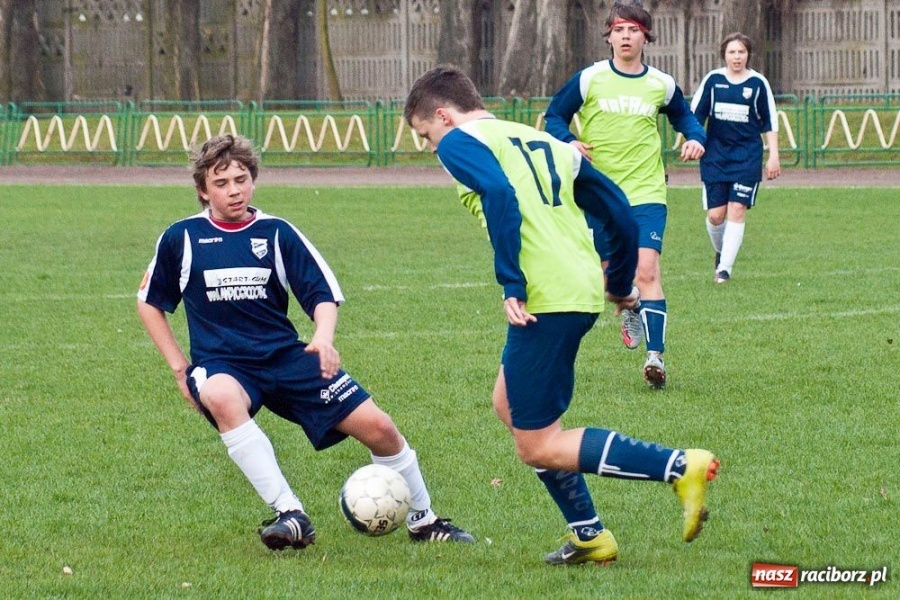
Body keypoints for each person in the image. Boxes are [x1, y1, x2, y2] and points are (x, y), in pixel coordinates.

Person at [404, 65, 719, 566]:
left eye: (426, 133)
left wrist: (512, 281)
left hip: (542, 296)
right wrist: (617, 284)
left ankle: (680, 466)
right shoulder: (542, 140)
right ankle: (591, 535)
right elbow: (615, 205)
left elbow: (500, 195)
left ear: (444, 115)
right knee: (508, 404)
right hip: (577, 287)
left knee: (537, 445)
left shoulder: (459, 140)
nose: (430, 145)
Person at [136, 134, 473, 550]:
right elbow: (150, 303)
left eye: (241, 179)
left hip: (285, 357)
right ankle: (290, 513)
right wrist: (180, 370)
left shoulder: (277, 233)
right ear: (203, 190)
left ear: (253, 180)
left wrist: (324, 338)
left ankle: (424, 520)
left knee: (380, 428)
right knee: (220, 395)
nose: (234, 190)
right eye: (221, 183)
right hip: (223, 363)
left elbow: (322, 294)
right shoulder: (182, 238)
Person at [544, 1, 707, 389]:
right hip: (598, 192)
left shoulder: (661, 84)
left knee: (647, 270)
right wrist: (569, 141)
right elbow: (554, 116)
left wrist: (695, 137)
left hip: (647, 189)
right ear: (609, 36)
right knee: (609, 281)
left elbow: (684, 115)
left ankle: (656, 358)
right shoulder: (590, 79)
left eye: (633, 30)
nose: (626, 37)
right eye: (618, 30)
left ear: (645, 36)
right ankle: (630, 303)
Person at [691, 32, 781, 284]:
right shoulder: (713, 81)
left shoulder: (758, 83)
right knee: (716, 216)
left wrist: (773, 155)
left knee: (737, 208)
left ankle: (724, 270)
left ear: (748, 55)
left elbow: (769, 121)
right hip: (716, 156)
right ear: (724, 55)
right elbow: (695, 117)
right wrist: (693, 140)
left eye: (741, 52)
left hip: (747, 156)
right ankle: (721, 251)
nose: (737, 56)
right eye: (732, 52)